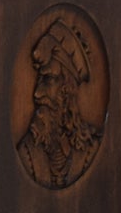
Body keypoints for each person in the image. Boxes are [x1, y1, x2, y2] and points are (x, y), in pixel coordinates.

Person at [16, 16, 103, 189]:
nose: (37, 94)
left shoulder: (90, 151)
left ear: (67, 90)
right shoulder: (27, 154)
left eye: (48, 80)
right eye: (39, 81)